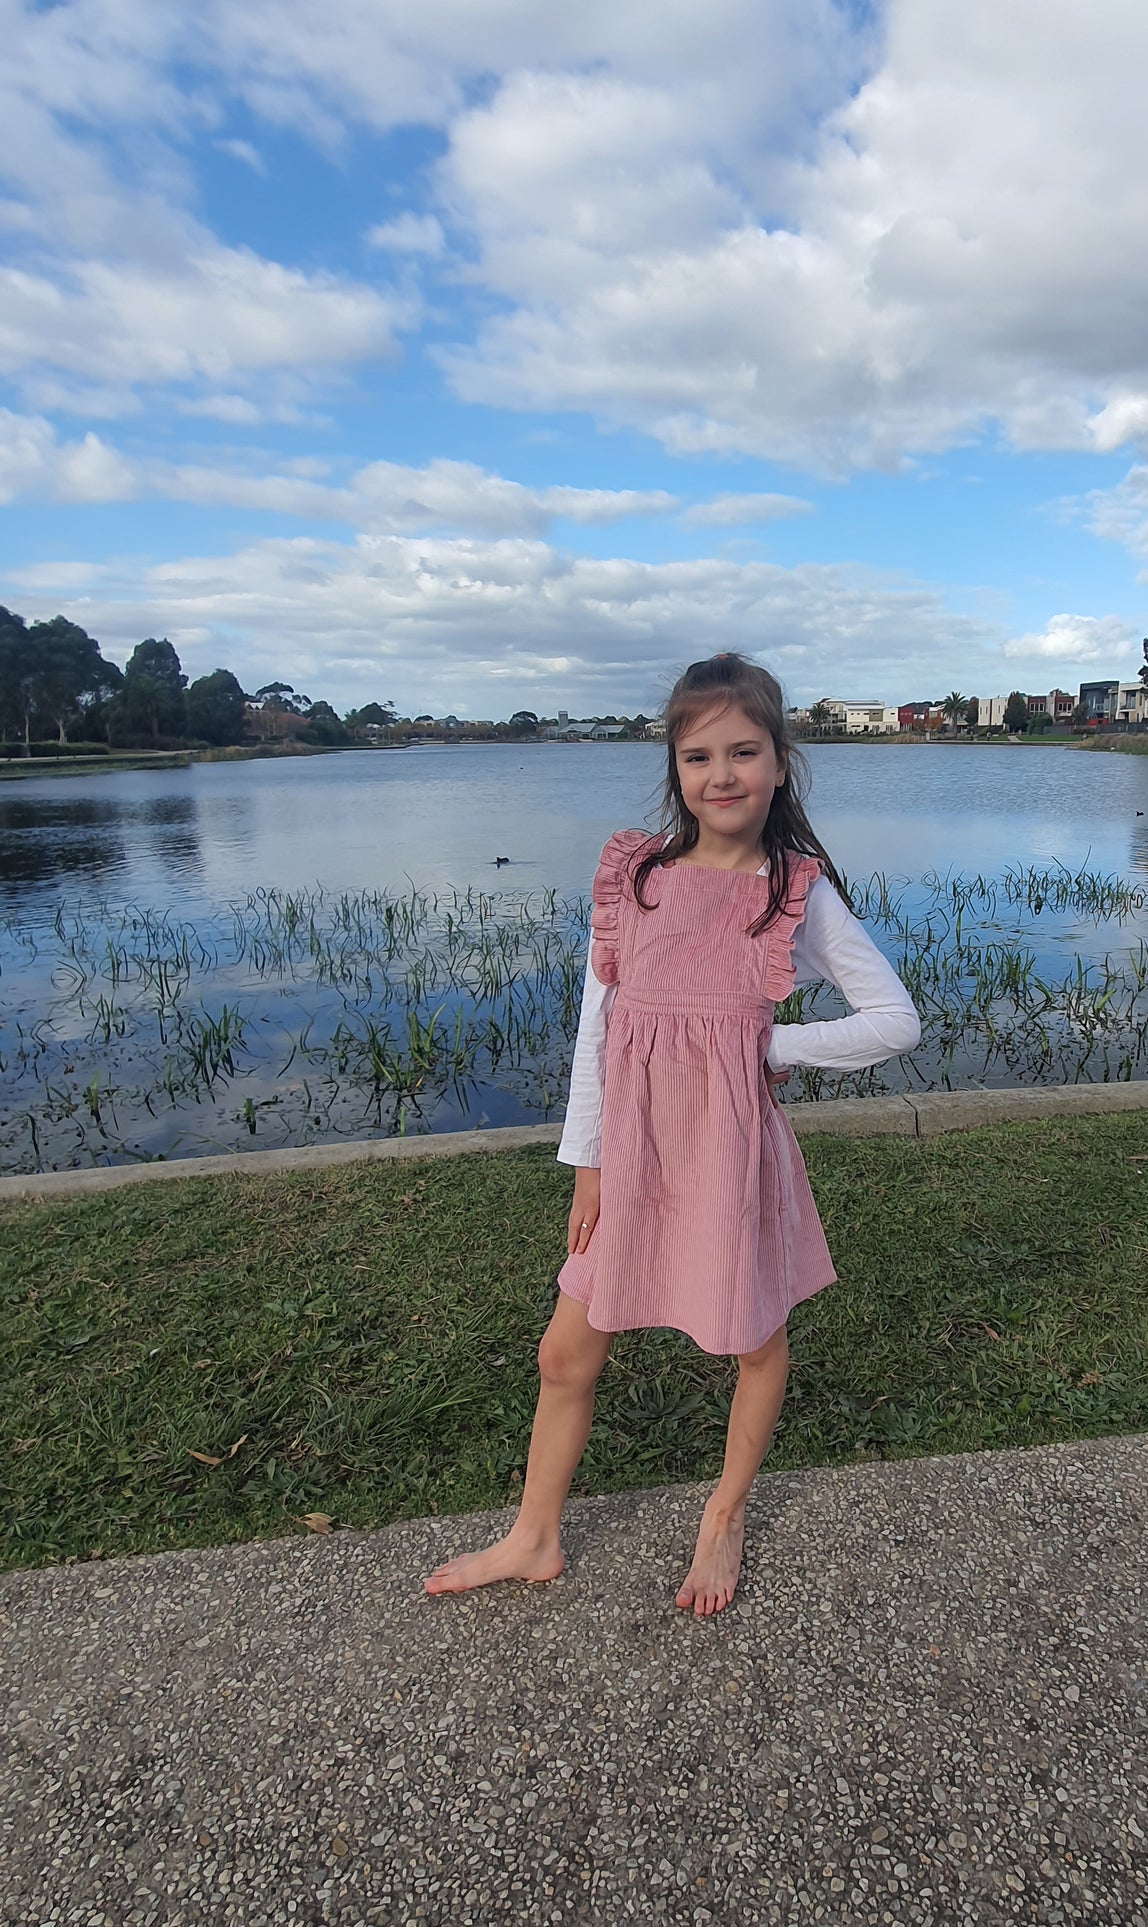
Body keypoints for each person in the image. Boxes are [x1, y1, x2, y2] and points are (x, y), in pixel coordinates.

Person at [425, 653, 920, 1615]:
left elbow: (891, 1019)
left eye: (744, 751)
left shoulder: (793, 893)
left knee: (751, 1338)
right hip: (634, 1150)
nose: (721, 774)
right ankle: (532, 1535)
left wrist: (759, 1038)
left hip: (729, 1154)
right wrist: (587, 1165)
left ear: (781, 763)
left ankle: (724, 1514)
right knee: (565, 1351)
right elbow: (594, 1035)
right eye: (699, 756)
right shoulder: (637, 877)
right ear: (675, 768)